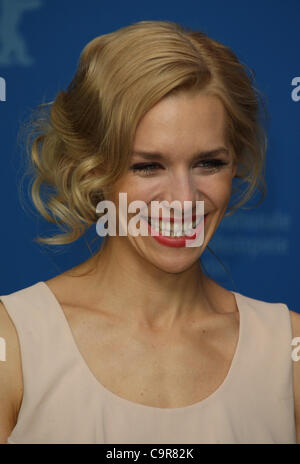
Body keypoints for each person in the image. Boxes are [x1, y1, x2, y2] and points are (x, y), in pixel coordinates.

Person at [0, 19, 299, 444]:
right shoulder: (12, 342)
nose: (182, 199)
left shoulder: (290, 351)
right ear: (93, 169)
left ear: (237, 165)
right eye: (147, 166)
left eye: (208, 163)